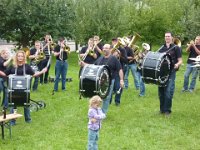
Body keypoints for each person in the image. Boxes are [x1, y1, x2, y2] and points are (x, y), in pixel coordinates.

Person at [0, 50, 47, 125]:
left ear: (24, 57)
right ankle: (12, 121)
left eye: (22, 56)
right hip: (13, 90)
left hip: (24, 90)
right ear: (16, 57)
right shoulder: (13, 66)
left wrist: (42, 71)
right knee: (13, 105)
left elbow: (33, 74)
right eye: (19, 56)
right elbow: (5, 74)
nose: (20, 57)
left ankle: (28, 119)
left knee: (26, 104)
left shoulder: (27, 66)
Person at [80, 44, 124, 114]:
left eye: (106, 48)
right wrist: (84, 64)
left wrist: (121, 80)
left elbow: (120, 69)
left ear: (110, 49)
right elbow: (94, 66)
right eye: (103, 48)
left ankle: (103, 114)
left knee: (107, 98)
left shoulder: (114, 59)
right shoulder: (100, 58)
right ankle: (94, 112)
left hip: (109, 81)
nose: (104, 49)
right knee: (96, 96)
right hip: (99, 81)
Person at [158, 32, 182, 116]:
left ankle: (167, 111)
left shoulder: (176, 48)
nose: (167, 38)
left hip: (171, 71)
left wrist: (177, 64)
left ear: (172, 38)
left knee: (168, 91)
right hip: (162, 72)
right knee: (161, 92)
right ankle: (162, 110)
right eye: (166, 36)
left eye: (168, 36)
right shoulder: (161, 48)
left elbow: (180, 60)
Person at [110, 38, 128, 106]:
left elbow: (126, 60)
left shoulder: (122, 49)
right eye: (113, 41)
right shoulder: (111, 48)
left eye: (115, 41)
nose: (114, 42)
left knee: (119, 86)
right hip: (111, 70)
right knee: (110, 87)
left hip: (119, 70)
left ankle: (117, 101)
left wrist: (119, 55)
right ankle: (109, 101)